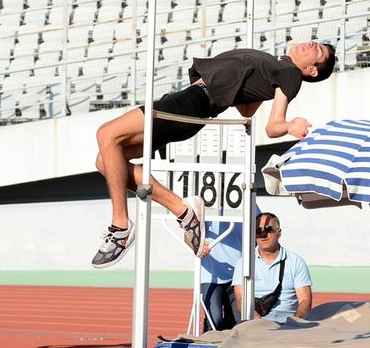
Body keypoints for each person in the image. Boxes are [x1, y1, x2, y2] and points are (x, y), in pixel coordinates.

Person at [92, 41, 336, 268]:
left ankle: (121, 226)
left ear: (312, 71)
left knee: (106, 135)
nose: (313, 44)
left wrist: (290, 125)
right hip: (190, 102)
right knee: (106, 160)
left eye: (319, 51)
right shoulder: (276, 67)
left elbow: (273, 126)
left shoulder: (291, 74)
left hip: (194, 102)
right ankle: (183, 210)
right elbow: (246, 108)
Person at [232, 212, 312, 323]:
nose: (263, 235)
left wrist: (295, 321)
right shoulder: (244, 263)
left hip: (289, 321)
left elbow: (305, 300)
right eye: (258, 231)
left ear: (279, 233)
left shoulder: (296, 261)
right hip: (256, 322)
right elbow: (241, 300)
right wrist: (259, 323)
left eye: (269, 230)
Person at [200, 221, 242, 331]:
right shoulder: (204, 204)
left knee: (238, 322)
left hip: (238, 275)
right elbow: (188, 234)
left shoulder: (247, 204)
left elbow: (257, 229)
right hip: (210, 275)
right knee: (214, 320)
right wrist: (197, 246)